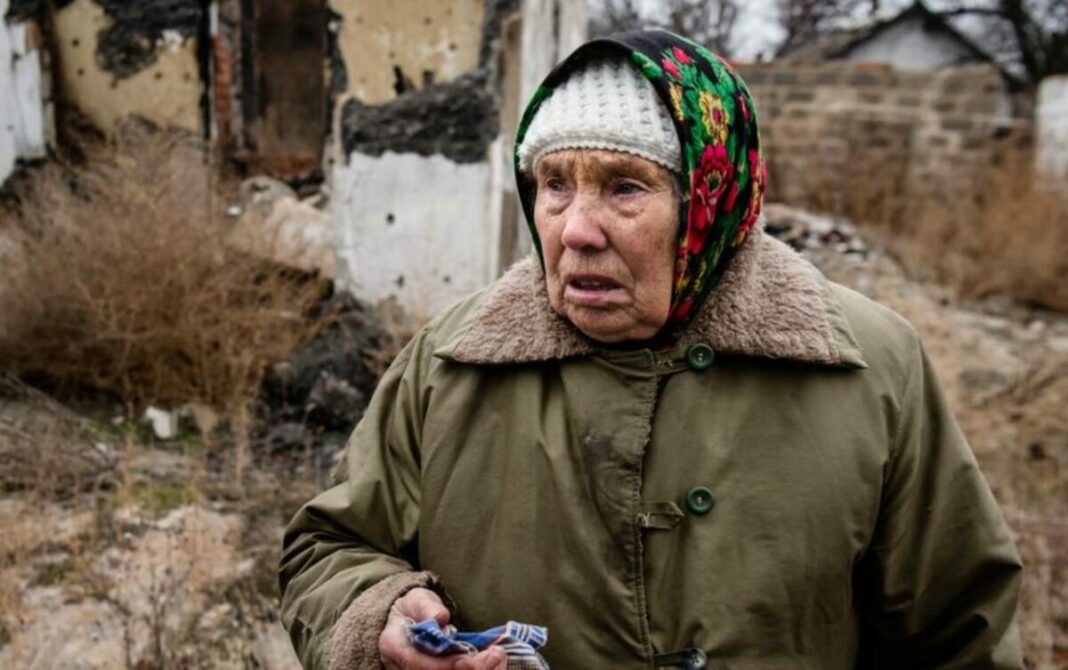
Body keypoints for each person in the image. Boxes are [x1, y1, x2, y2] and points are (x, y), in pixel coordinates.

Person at [279, 29, 1023, 670]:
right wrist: (379, 613)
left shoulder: (870, 369)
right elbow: (327, 547)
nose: (576, 229)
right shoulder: (449, 362)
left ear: (710, 201)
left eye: (625, 187)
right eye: (554, 184)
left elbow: (962, 631)